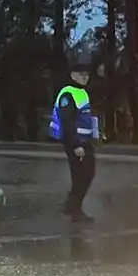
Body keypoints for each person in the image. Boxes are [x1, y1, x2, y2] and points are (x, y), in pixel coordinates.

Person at [49, 61, 98, 223]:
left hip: (85, 141)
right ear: (72, 75)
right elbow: (68, 122)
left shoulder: (81, 92)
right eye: (81, 75)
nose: (85, 78)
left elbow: (85, 118)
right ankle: (74, 210)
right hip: (76, 142)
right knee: (81, 176)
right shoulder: (68, 93)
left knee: (87, 174)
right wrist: (75, 144)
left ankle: (71, 206)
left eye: (87, 75)